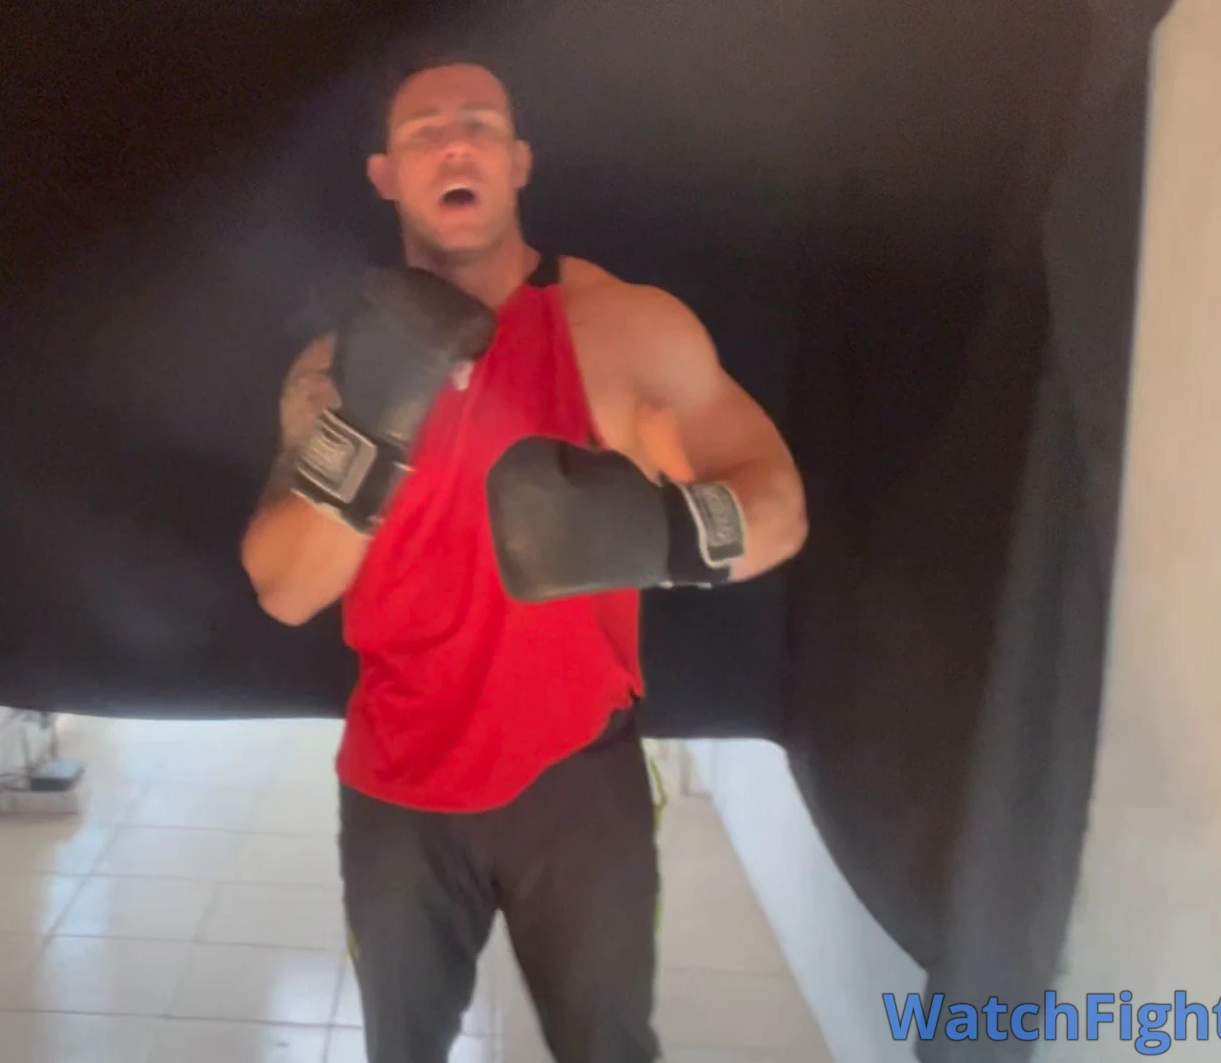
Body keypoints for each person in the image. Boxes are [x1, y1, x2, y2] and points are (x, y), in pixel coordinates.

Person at [240, 57, 807, 1063]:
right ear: (386, 176)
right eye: (424, 132)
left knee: (609, 1048)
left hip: (578, 782)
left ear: (518, 161)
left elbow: (780, 507)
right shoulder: (333, 369)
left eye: (480, 125)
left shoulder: (623, 328)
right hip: (397, 788)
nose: (455, 145)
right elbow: (285, 589)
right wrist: (375, 426)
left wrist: (662, 534)